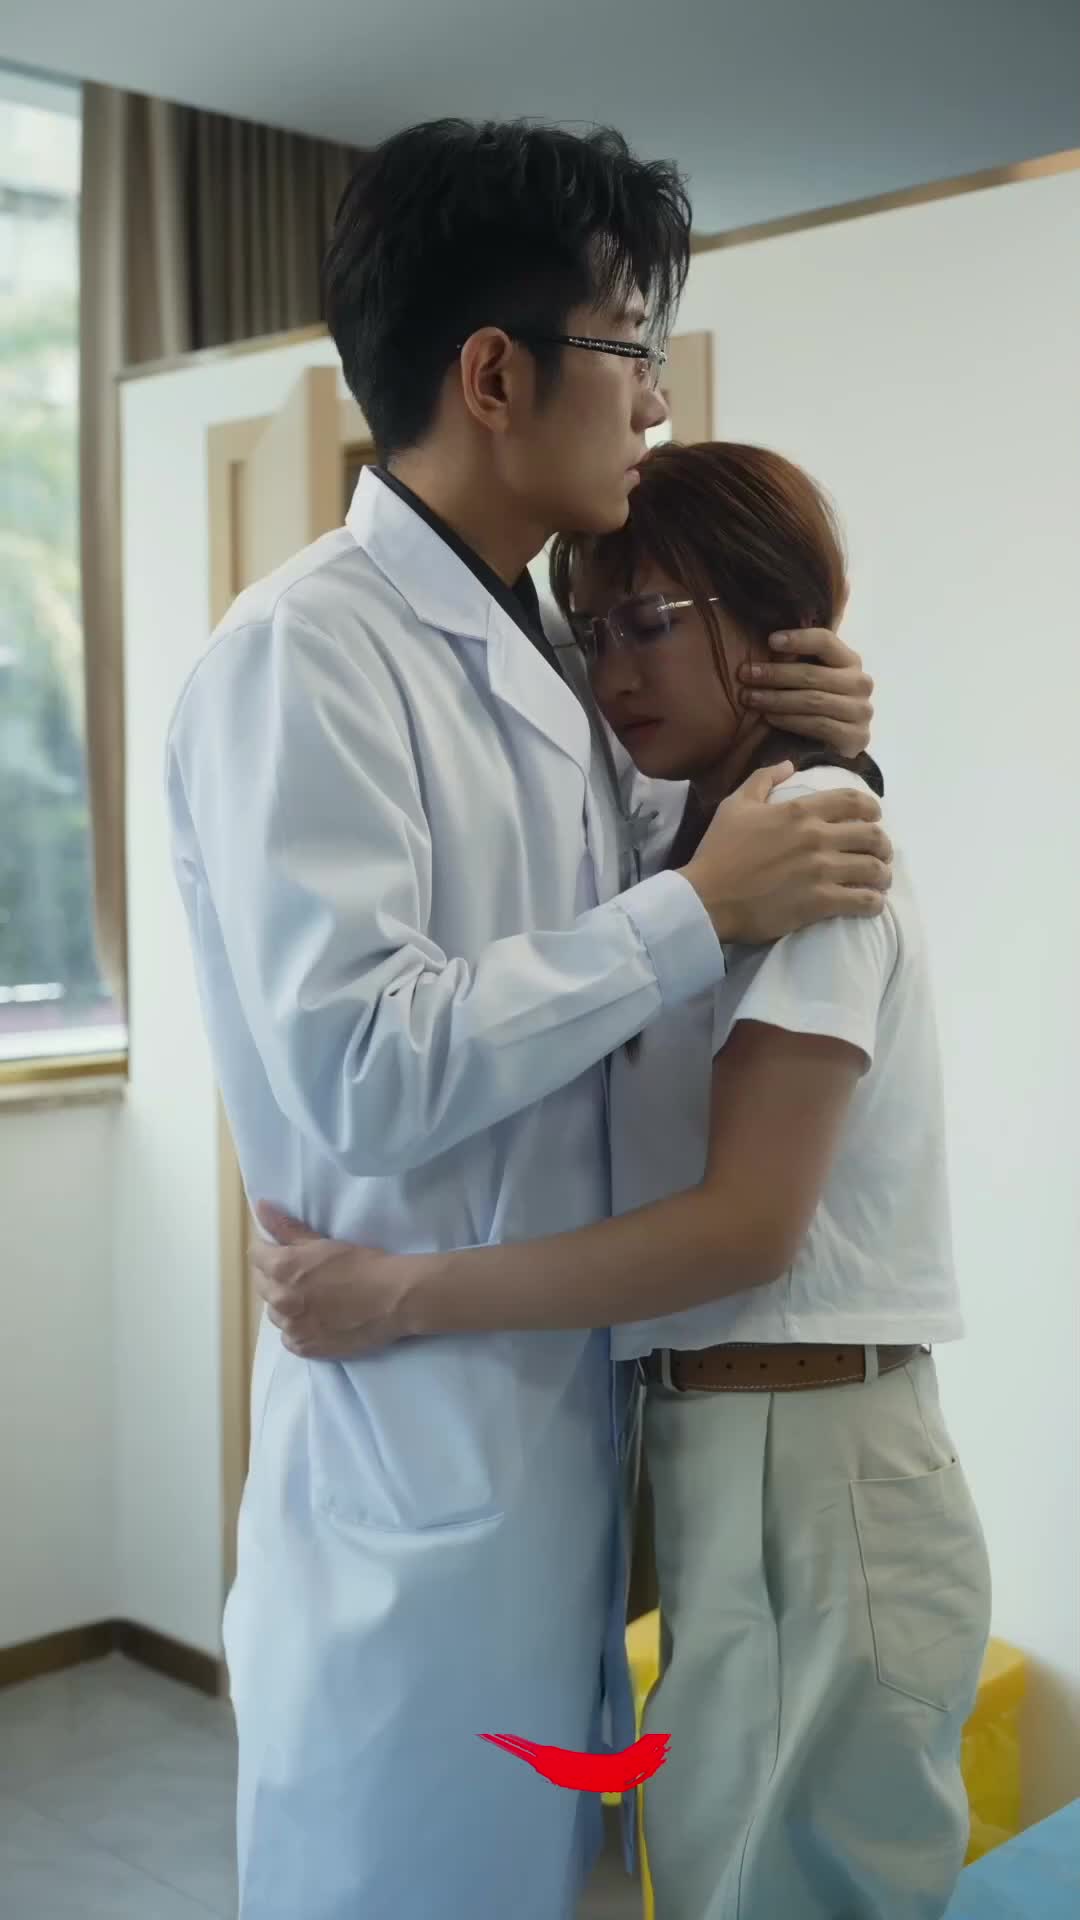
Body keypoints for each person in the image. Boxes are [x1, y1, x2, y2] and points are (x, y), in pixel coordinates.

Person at [166, 116, 887, 1920]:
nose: (654, 399)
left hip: (557, 1440)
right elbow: (363, 1067)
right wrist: (695, 907)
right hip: (412, 1473)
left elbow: (647, 902)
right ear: (494, 376)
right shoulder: (304, 655)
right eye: (629, 346)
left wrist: (811, 736)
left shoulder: (547, 664)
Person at [254, 441, 991, 1920]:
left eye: (651, 623)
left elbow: (744, 1230)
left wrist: (402, 1294)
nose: (613, 674)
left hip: (812, 1458)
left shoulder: (811, 854)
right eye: (591, 633)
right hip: (739, 1442)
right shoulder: (689, 842)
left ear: (778, 633)